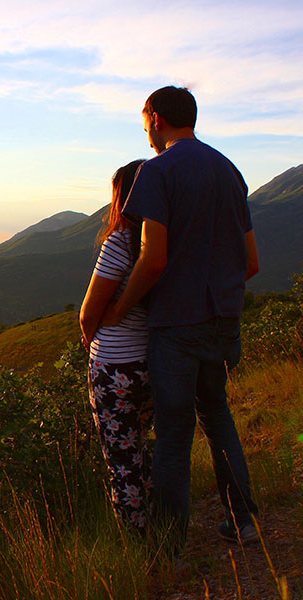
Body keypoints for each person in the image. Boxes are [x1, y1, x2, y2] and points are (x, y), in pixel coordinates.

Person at [100, 86, 261, 553]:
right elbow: (251, 263)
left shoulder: (157, 172)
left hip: (175, 327)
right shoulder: (229, 171)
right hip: (224, 321)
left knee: (172, 435)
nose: (146, 130)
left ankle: (170, 545)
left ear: (155, 118)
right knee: (217, 414)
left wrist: (120, 309)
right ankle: (244, 520)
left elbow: (152, 259)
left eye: (144, 120)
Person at [80, 159, 152, 533]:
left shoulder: (121, 241)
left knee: (121, 460)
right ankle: (162, 525)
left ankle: (138, 544)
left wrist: (89, 339)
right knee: (142, 450)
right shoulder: (163, 241)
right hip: (152, 362)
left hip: (114, 367)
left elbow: (88, 312)